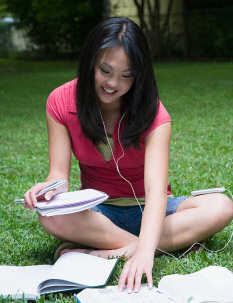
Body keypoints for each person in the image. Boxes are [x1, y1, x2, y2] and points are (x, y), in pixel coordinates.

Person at [23, 17, 233, 293]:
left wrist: (143, 253)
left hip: (151, 209)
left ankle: (113, 250)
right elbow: (59, 177)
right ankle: (160, 245)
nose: (112, 83)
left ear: (139, 75)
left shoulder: (155, 114)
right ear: (90, 63)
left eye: (126, 76)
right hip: (99, 213)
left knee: (221, 206)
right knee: (50, 216)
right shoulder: (60, 102)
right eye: (105, 71)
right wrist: (47, 190)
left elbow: (156, 191)